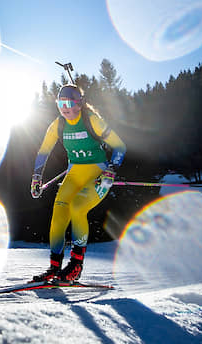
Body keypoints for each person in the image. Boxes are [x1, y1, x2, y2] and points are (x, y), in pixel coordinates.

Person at [30, 84, 126, 283]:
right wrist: (37, 177)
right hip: (74, 173)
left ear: (79, 104)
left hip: (98, 174)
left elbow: (120, 147)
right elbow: (43, 151)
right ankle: (54, 267)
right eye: (60, 103)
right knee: (59, 212)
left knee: (78, 208)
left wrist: (111, 170)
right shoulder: (58, 125)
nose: (64, 107)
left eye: (68, 103)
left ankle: (75, 267)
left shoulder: (92, 121)